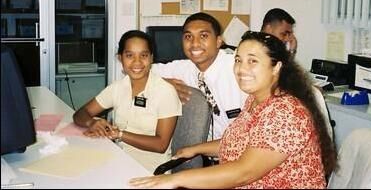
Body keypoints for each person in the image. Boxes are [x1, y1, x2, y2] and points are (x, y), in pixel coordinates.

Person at [129, 31, 337, 189]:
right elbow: (240, 142)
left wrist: (175, 179)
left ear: (276, 68)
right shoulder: (256, 100)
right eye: (238, 60)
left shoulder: (285, 113)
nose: (241, 68)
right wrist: (197, 148)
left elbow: (244, 172)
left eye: (252, 61)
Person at [73, 30, 182, 172]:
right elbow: (81, 113)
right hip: (117, 160)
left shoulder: (165, 92)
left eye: (143, 55)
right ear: (120, 58)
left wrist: (120, 134)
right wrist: (92, 122)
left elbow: (160, 145)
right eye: (129, 55)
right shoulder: (118, 88)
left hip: (150, 170)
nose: (137, 62)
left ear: (151, 58)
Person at [151, 12, 247, 142]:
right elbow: (135, 70)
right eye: (188, 37)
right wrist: (164, 84)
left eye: (203, 36)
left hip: (241, 151)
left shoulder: (238, 68)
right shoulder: (183, 68)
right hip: (204, 154)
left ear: (218, 41)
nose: (195, 43)